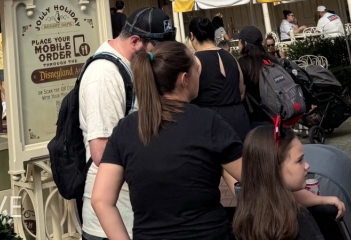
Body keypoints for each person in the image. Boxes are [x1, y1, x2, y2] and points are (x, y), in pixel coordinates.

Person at [91, 41, 243, 240]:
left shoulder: (125, 129)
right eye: (198, 72)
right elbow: (255, 178)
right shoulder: (208, 123)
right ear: (184, 79)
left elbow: (101, 200)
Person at [80, 7, 175, 240]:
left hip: (134, 216)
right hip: (111, 224)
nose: (161, 57)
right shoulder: (104, 75)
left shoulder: (129, 67)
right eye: (158, 50)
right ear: (135, 41)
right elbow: (102, 151)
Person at [233, 126, 345, 240]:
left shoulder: (245, 218)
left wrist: (323, 200)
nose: (307, 166)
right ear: (274, 169)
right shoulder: (297, 222)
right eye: (299, 160)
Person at [188, 16, 249, 142]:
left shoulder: (195, 61)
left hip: (210, 122)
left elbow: (188, 96)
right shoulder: (231, 58)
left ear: (192, 36)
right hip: (238, 117)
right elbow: (241, 91)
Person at [237, 26, 274, 130]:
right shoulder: (271, 60)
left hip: (256, 119)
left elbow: (241, 93)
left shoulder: (243, 63)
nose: (238, 45)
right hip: (276, 116)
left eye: (239, 41)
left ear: (244, 43)